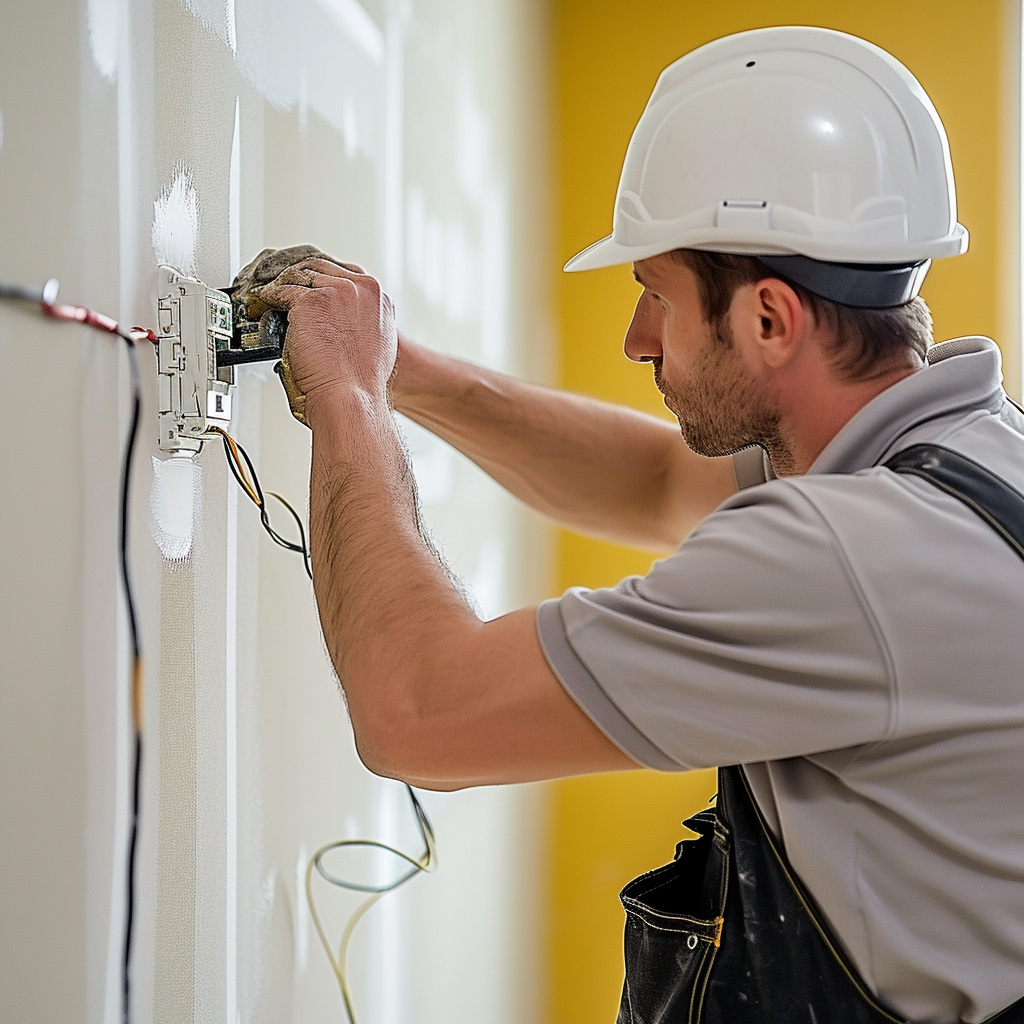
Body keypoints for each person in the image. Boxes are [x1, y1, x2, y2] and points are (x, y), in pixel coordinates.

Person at [246, 26, 1024, 1024]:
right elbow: (657, 479)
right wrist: (400, 369)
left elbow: (413, 711)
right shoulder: (962, 453)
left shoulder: (847, 557)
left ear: (770, 320)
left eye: (655, 295)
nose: (633, 338)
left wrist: (348, 401)